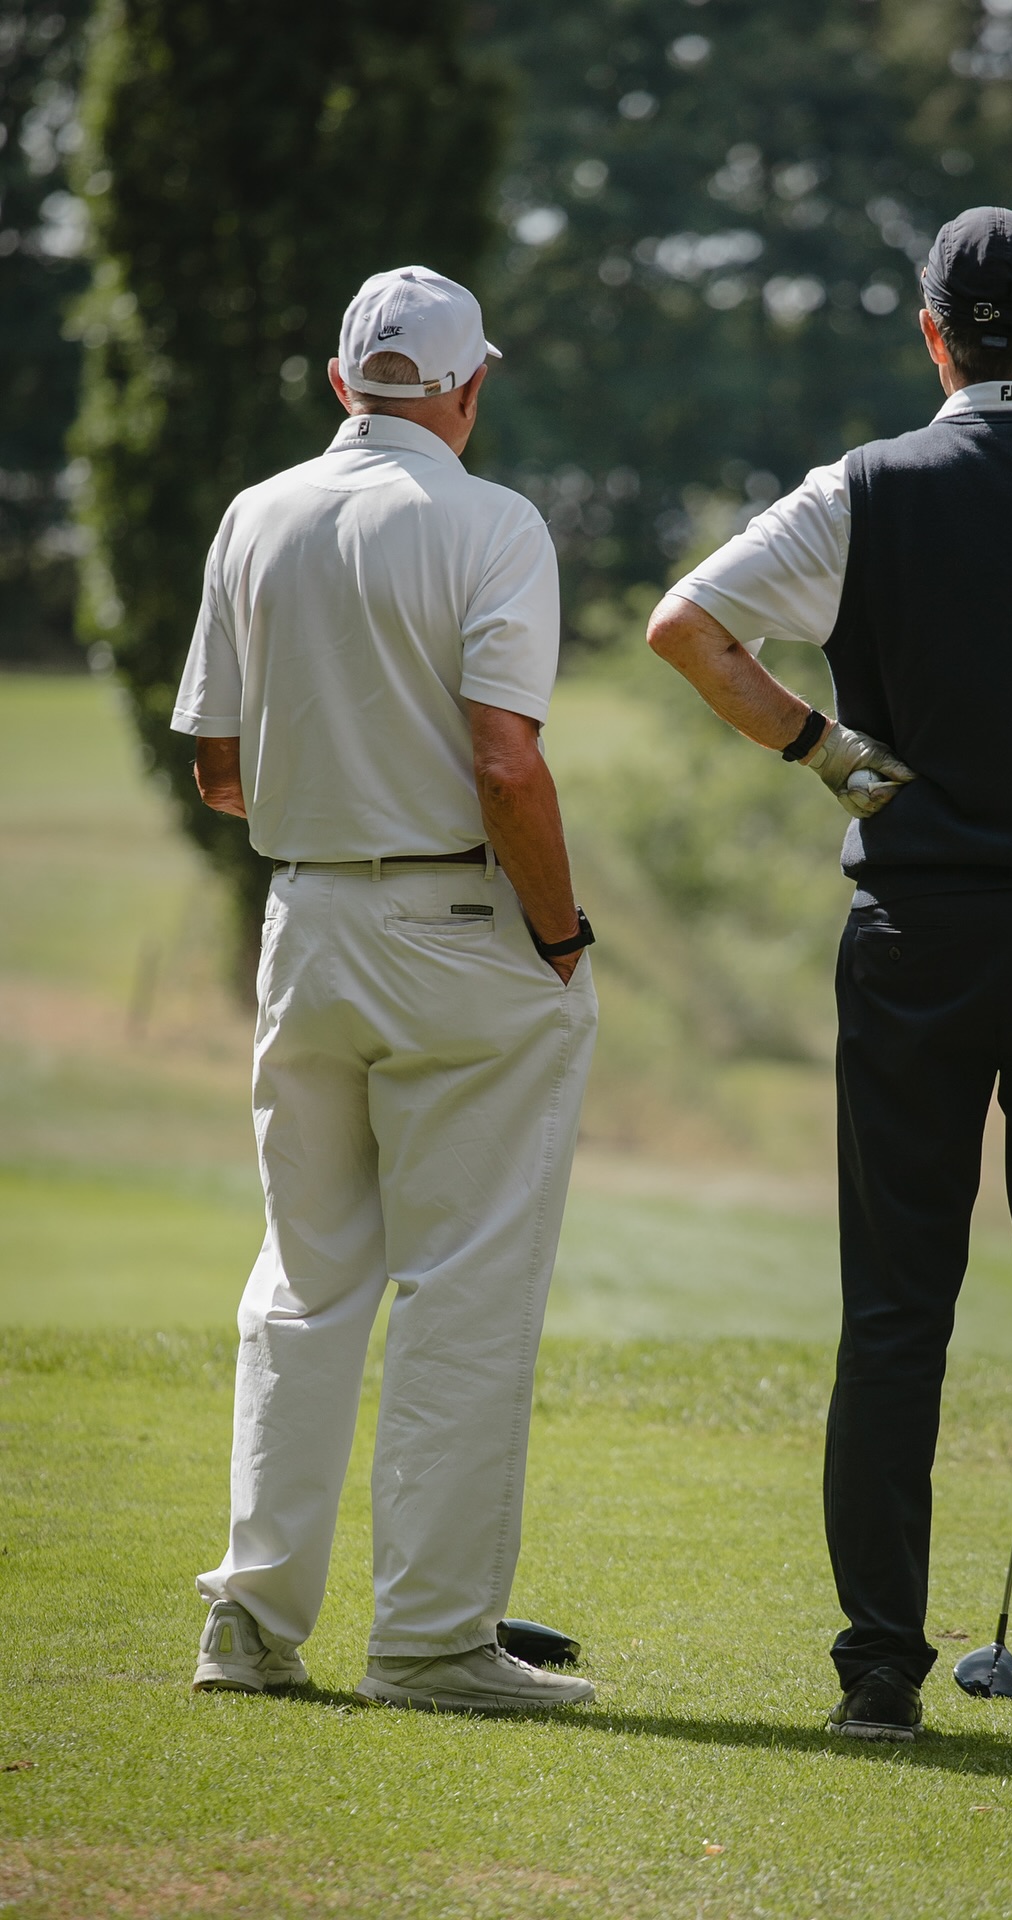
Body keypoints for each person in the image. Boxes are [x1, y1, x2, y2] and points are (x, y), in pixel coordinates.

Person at [648, 208, 1012, 1746]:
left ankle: (878, 1679)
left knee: (897, 1305)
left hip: (915, 934)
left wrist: (829, 755)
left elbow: (686, 628)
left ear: (932, 335)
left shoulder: (862, 486)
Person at [174, 265, 599, 1715]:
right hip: (461, 924)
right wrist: (561, 937)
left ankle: (249, 1625)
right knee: (463, 1284)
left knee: (304, 1279)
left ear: (343, 379)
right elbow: (506, 765)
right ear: (469, 388)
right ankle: (428, 1644)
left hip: (303, 922)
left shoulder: (256, 515)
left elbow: (217, 770)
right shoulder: (496, 522)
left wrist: (334, 809)